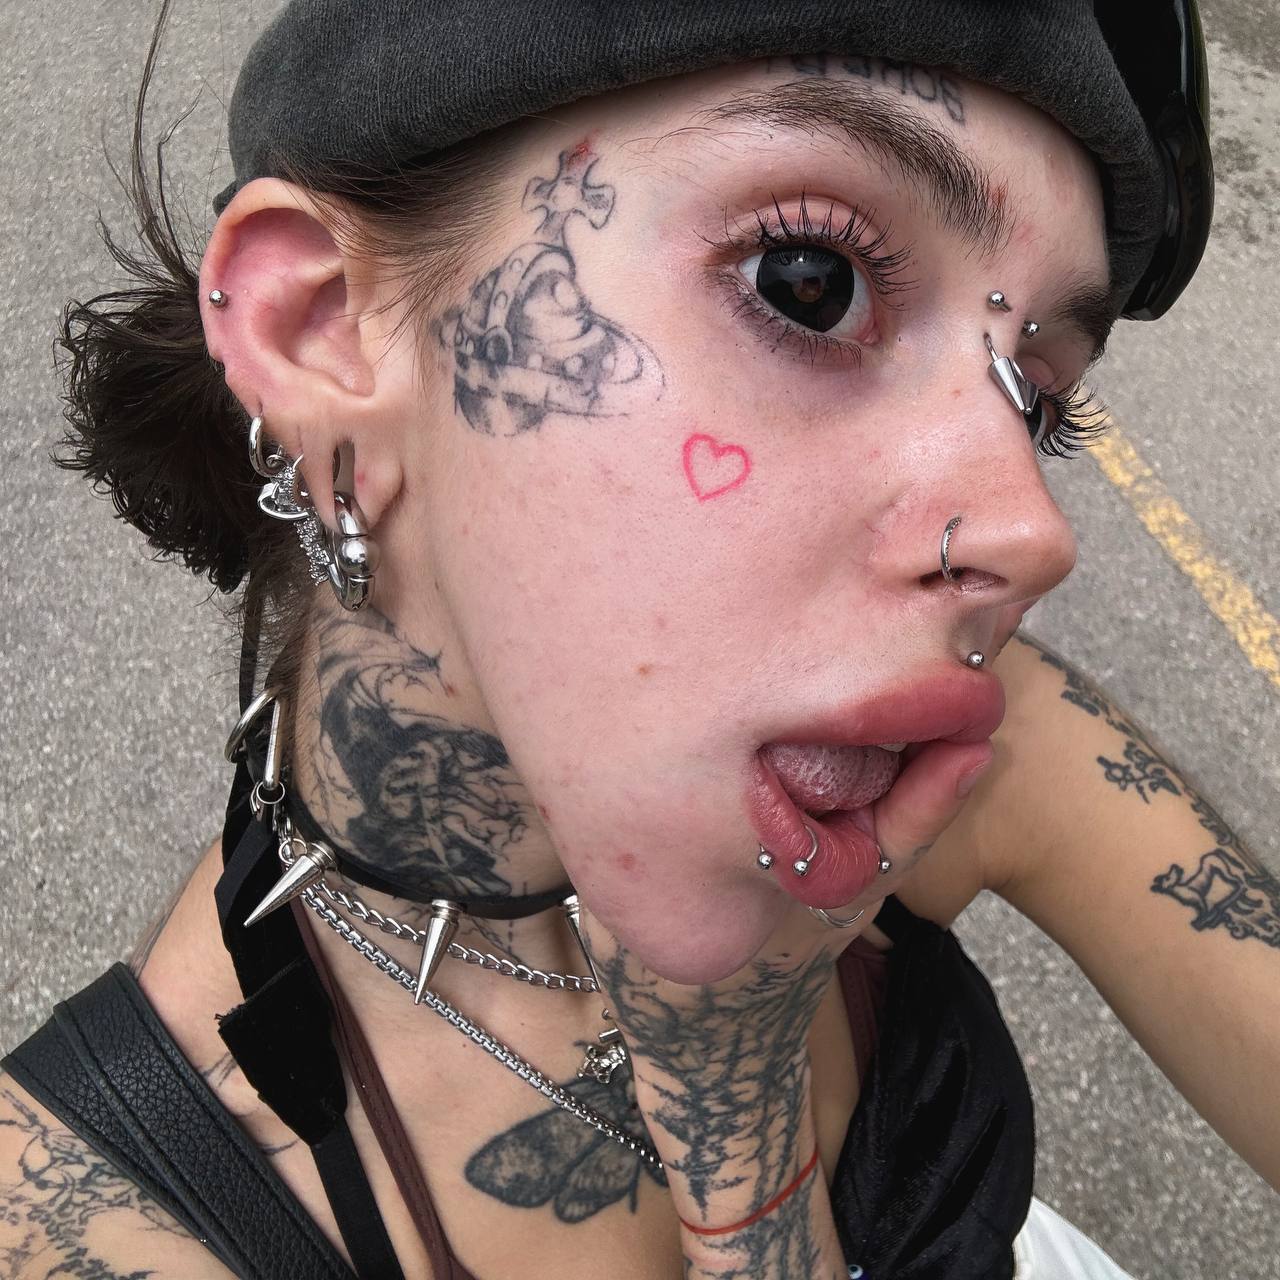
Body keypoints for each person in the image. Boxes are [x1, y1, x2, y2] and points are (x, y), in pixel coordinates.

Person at [2, 1, 1276, 1277]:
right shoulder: (83, 1220)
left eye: (1034, 398)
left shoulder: (960, 760)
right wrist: (737, 1133)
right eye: (808, 282)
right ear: (320, 331)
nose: (1031, 529)